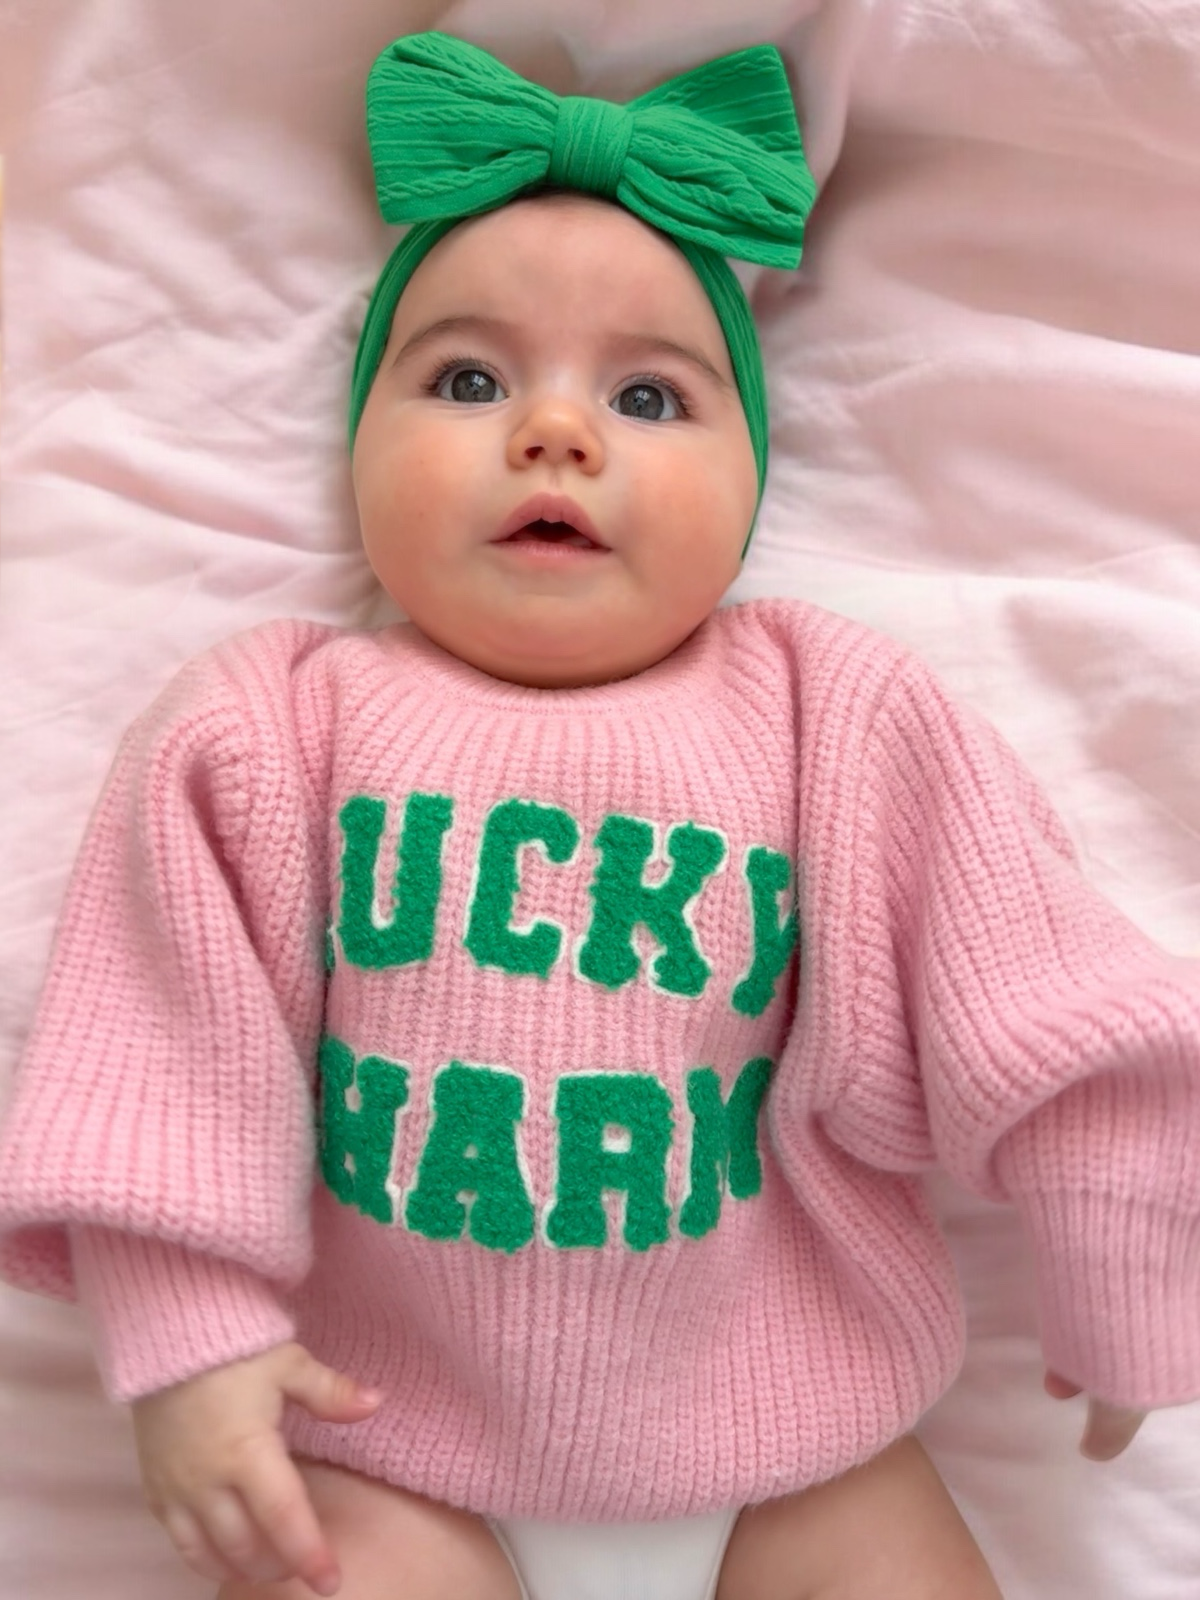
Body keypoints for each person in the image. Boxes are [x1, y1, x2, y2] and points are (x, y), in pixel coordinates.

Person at [1, 31, 1197, 1600]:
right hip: (385, 1441)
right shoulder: (272, 727)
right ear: (358, 444)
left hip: (798, 1436)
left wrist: (1120, 1234)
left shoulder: (828, 712)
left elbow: (1043, 985)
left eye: (647, 395)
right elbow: (157, 1048)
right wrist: (190, 1334)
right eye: (468, 380)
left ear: (750, 484)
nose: (554, 432)